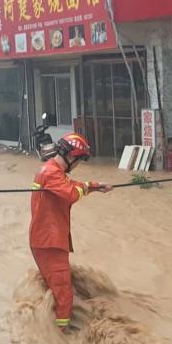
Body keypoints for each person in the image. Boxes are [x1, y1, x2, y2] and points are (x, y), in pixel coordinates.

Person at [29, 133, 112, 332]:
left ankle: (52, 325)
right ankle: (61, 337)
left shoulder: (52, 171)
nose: (77, 165)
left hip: (47, 239)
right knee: (63, 293)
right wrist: (87, 189)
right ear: (71, 157)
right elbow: (71, 194)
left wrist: (94, 187)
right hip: (50, 242)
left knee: (58, 288)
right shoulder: (51, 174)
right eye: (79, 161)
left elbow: (70, 185)